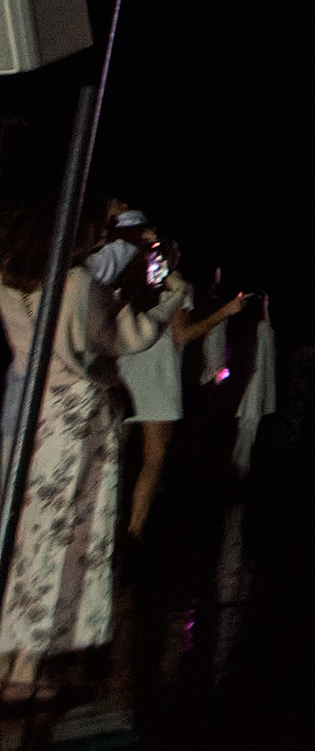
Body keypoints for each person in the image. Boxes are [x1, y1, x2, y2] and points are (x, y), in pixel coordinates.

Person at [0, 206, 168, 705]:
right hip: (77, 418)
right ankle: (30, 665)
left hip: (37, 411)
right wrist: (165, 304)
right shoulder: (75, 283)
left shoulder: (8, 286)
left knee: (27, 531)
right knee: (63, 534)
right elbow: (121, 338)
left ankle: (10, 652)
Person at [117, 232, 248, 543]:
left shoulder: (129, 280)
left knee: (116, 454)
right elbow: (184, 335)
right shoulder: (178, 288)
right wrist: (226, 312)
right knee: (154, 457)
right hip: (159, 376)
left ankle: (108, 519)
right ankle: (134, 531)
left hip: (126, 370)